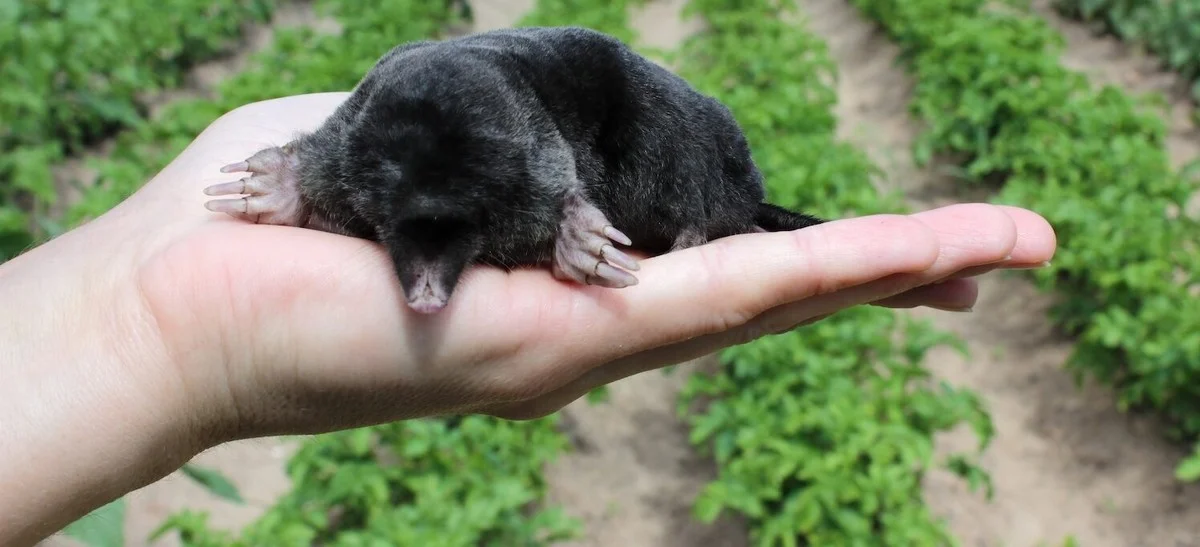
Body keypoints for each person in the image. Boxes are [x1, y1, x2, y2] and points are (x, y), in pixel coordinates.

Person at [0, 93, 1056, 545]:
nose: (421, 294)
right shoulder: (361, 147)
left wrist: (134, 324)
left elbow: (548, 171)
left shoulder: (555, 155)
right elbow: (344, 167)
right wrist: (155, 317)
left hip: (630, 151)